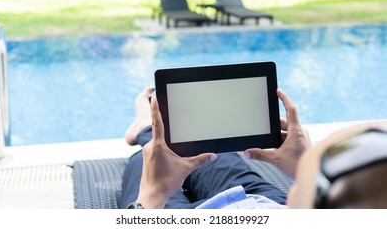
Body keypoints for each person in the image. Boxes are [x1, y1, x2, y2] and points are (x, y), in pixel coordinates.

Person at [121, 87, 387, 209]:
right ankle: (145, 131)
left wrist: (152, 197)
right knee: (215, 153)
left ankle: (145, 129)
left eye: (318, 179)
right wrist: (302, 168)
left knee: (143, 161)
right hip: (263, 203)